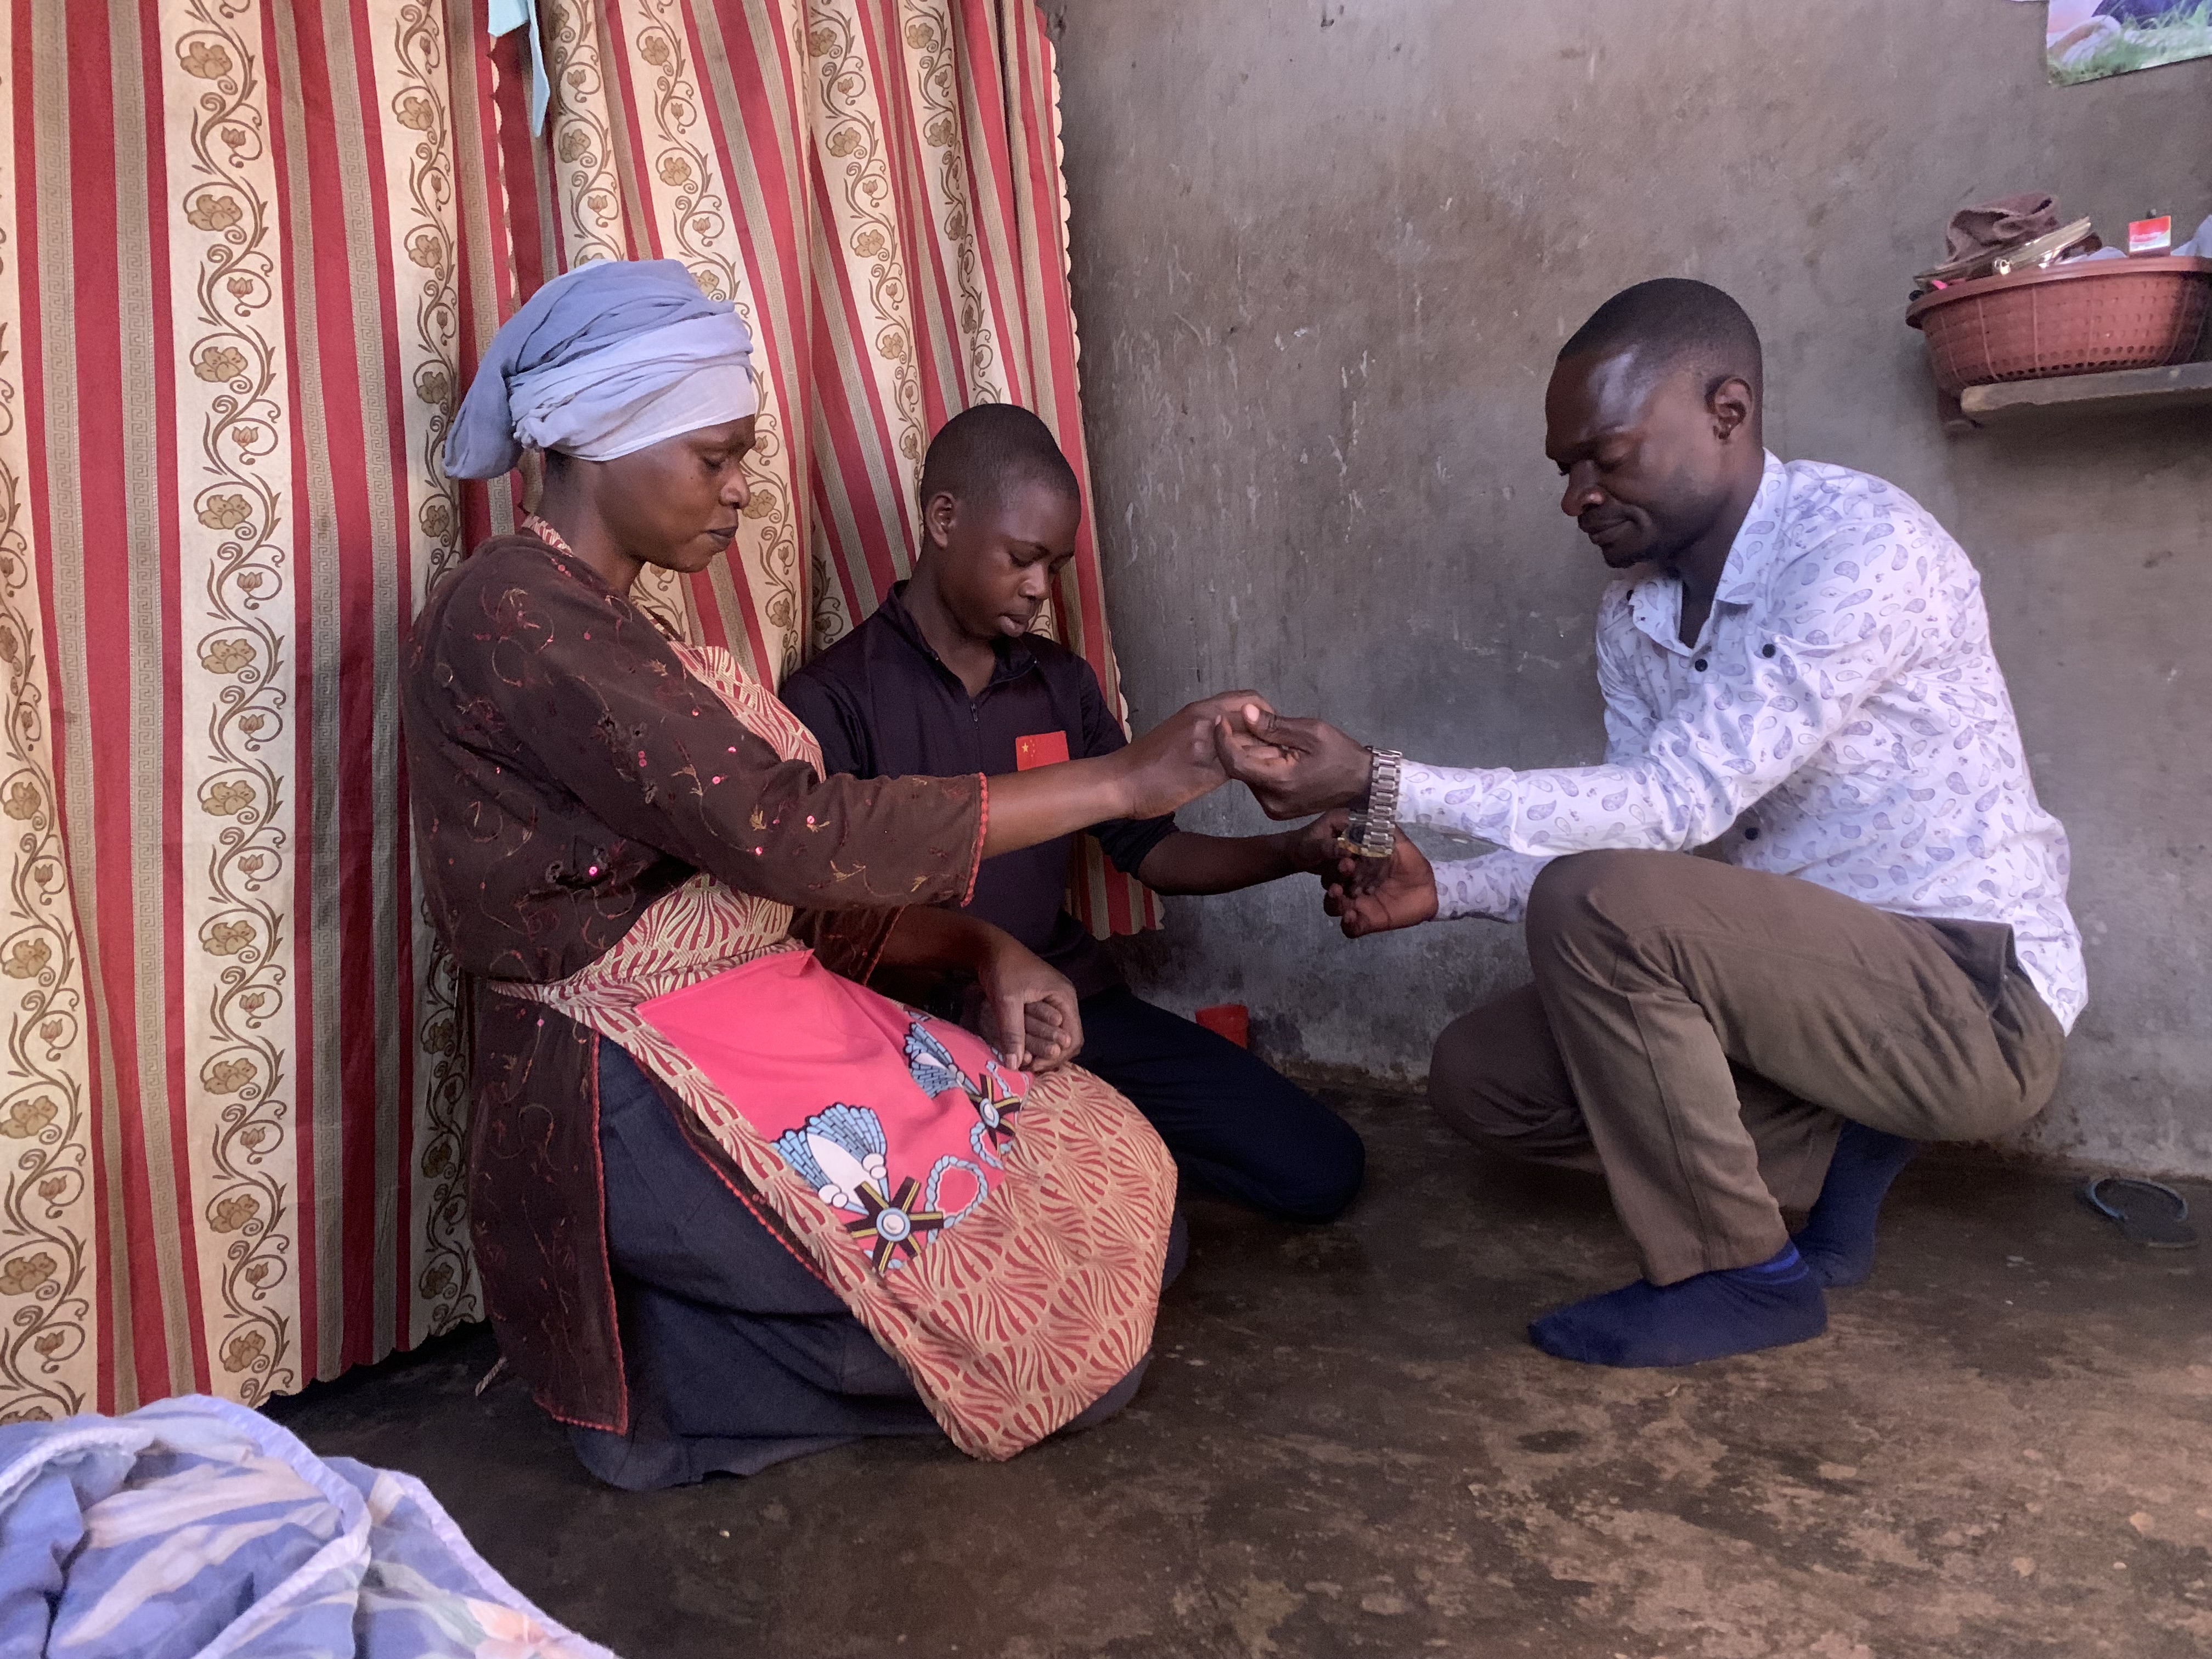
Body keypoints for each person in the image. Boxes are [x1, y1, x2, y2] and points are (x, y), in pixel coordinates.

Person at [406, 259, 1260, 1487]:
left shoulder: (609, 622)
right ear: (597, 437)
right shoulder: (514, 612)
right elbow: (789, 836)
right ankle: (665, 1397)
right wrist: (1123, 779)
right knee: (1065, 1339)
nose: (741, 491)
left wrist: (982, 945)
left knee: (1122, 1197)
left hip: (751, 1012)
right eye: (713, 457)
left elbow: (761, 893)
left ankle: (708, 1353)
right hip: (630, 1072)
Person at [1214, 278, 2084, 1369]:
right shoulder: (1638, 613)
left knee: (1596, 902)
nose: (1576, 495)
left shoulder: (1860, 550)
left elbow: (1674, 807)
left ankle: (1738, 1275)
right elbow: (1650, 848)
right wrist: (1450, 889)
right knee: (1485, 1077)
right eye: (1563, 469)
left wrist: (1381, 780)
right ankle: (1847, 1145)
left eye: (1605, 456)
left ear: (1728, 411)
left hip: (1970, 997)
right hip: (1804, 998)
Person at [779, 405, 1365, 1224]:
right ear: (943, 519)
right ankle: (1090, 1181)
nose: (1038, 588)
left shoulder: (1059, 683)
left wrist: (1293, 852)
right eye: (1022, 559)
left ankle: (1116, 1169)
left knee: (1321, 1169)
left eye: (1053, 565)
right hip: (913, 1031)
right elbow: (823, 914)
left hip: (1070, 1011)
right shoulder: (834, 695)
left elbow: (1152, 852)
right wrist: (984, 956)